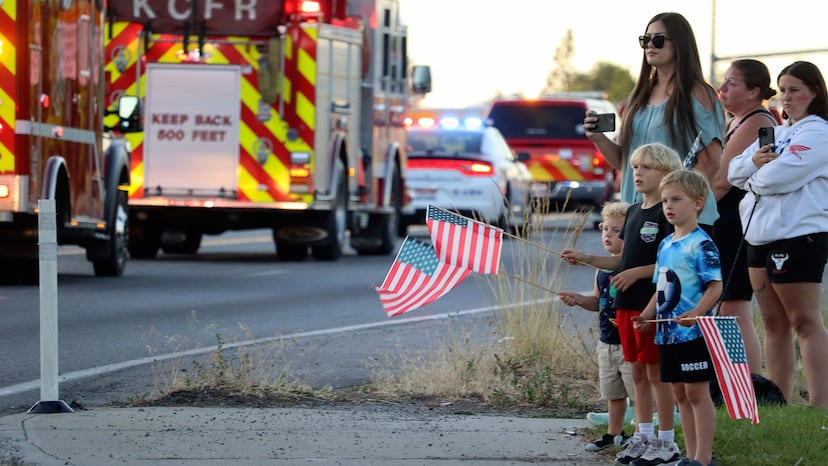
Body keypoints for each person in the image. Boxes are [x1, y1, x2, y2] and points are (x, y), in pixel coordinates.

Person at [561, 143, 681, 466]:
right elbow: (621, 261)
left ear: (667, 173)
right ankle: (643, 435)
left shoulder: (666, 213)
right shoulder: (633, 211)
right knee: (637, 372)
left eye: (647, 168)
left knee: (656, 373)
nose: (638, 173)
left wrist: (637, 273)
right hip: (625, 304)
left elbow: (671, 263)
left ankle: (666, 440)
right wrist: (586, 258)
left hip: (651, 305)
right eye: (635, 167)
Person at [727, 60, 828, 407]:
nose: (786, 97)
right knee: (772, 322)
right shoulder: (778, 132)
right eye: (783, 90)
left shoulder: (819, 132)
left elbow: (776, 178)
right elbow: (733, 171)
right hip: (758, 236)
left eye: (795, 90)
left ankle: (819, 405)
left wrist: (753, 175)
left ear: (814, 92)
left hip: (799, 237)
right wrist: (753, 167)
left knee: (804, 322)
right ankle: (777, 401)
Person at [584, 12, 725, 232]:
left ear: (679, 43)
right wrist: (598, 138)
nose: (650, 45)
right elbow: (625, 163)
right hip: (636, 213)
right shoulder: (638, 95)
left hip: (680, 219)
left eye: (658, 39)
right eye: (646, 39)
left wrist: (675, 201)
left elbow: (710, 162)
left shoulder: (698, 93)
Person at [633, 169, 722, 466]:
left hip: (694, 333)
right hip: (668, 333)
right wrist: (646, 314)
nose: (668, 206)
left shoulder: (702, 243)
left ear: (697, 203)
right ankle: (689, 455)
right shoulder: (666, 244)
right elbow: (661, 286)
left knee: (696, 391)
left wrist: (696, 313)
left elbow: (715, 286)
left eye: (676, 200)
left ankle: (703, 458)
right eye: (665, 201)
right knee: (680, 393)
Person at [712, 59, 778, 374]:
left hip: (737, 225)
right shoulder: (734, 120)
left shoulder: (757, 120)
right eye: (723, 80)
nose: (722, 87)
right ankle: (731, 379)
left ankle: (746, 380)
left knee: (733, 306)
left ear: (754, 91)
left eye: (732, 82)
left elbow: (722, 179)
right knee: (724, 305)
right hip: (725, 222)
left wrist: (692, 215)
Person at [559, 201, 634, 452]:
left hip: (629, 341)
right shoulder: (600, 270)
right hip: (607, 341)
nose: (608, 235)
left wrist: (585, 258)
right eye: (605, 229)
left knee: (638, 392)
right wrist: (579, 300)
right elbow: (597, 302)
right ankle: (614, 433)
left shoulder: (631, 265)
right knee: (613, 393)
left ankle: (641, 434)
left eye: (616, 231)